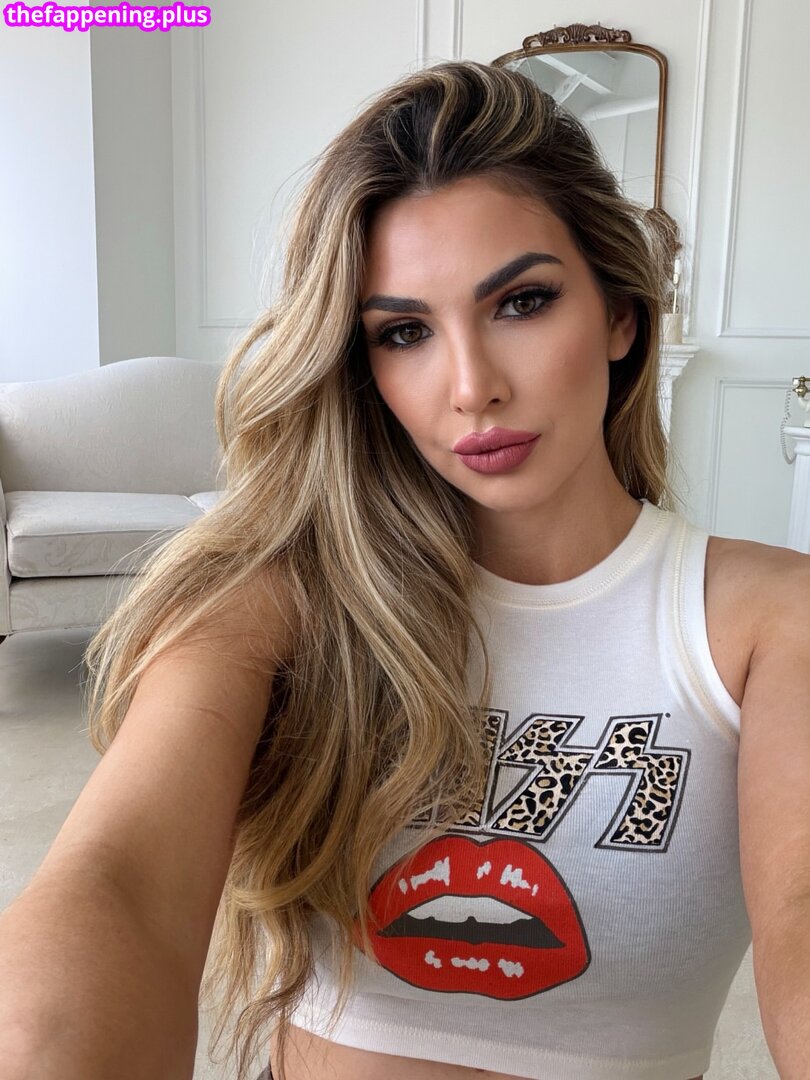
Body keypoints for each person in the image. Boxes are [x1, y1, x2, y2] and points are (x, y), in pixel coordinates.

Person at [1, 60, 808, 1080]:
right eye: (406, 332)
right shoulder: (282, 602)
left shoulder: (764, 620)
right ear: (361, 365)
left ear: (619, 314)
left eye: (522, 301)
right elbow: (118, 885)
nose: (471, 387)